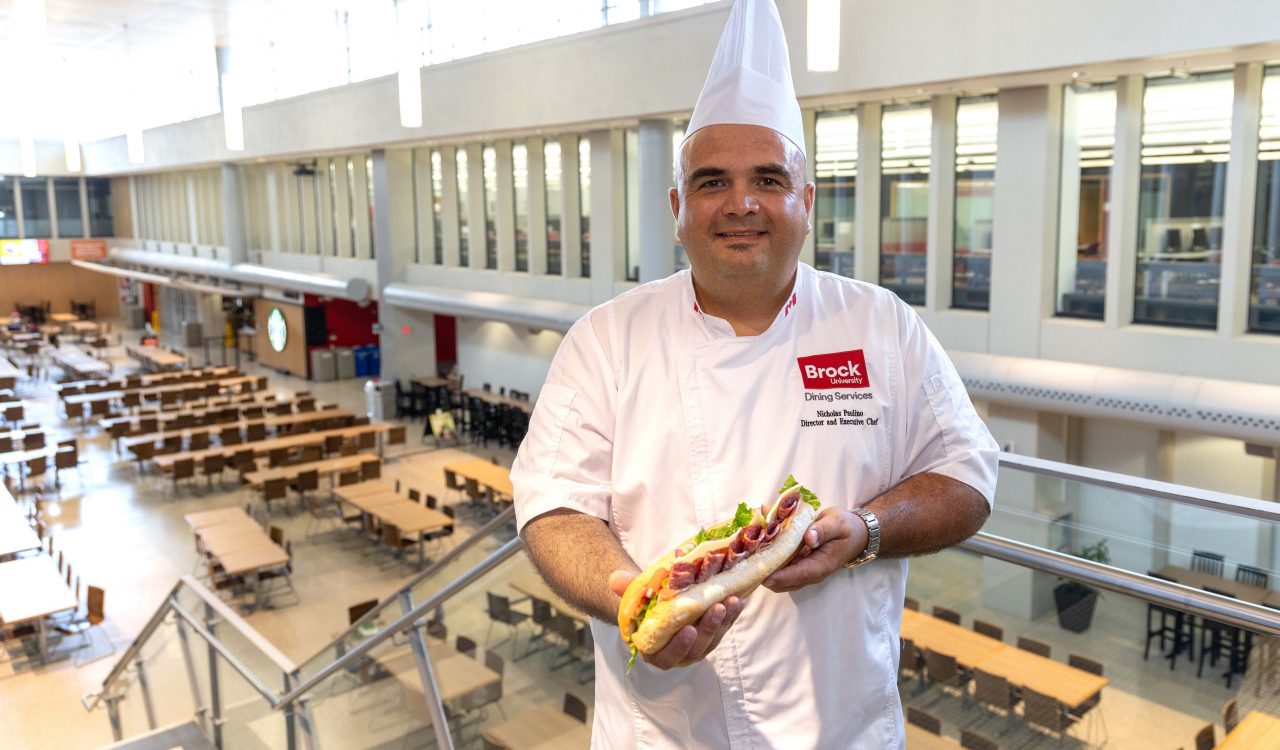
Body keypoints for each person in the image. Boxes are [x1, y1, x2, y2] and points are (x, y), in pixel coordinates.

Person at [511, 1, 998, 747]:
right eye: (711, 182)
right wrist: (636, 606)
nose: (741, 204)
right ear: (678, 208)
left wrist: (867, 529)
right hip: (664, 733)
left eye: (768, 180)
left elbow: (966, 475)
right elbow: (554, 510)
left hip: (845, 730)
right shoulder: (606, 340)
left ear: (806, 201)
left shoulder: (881, 326)